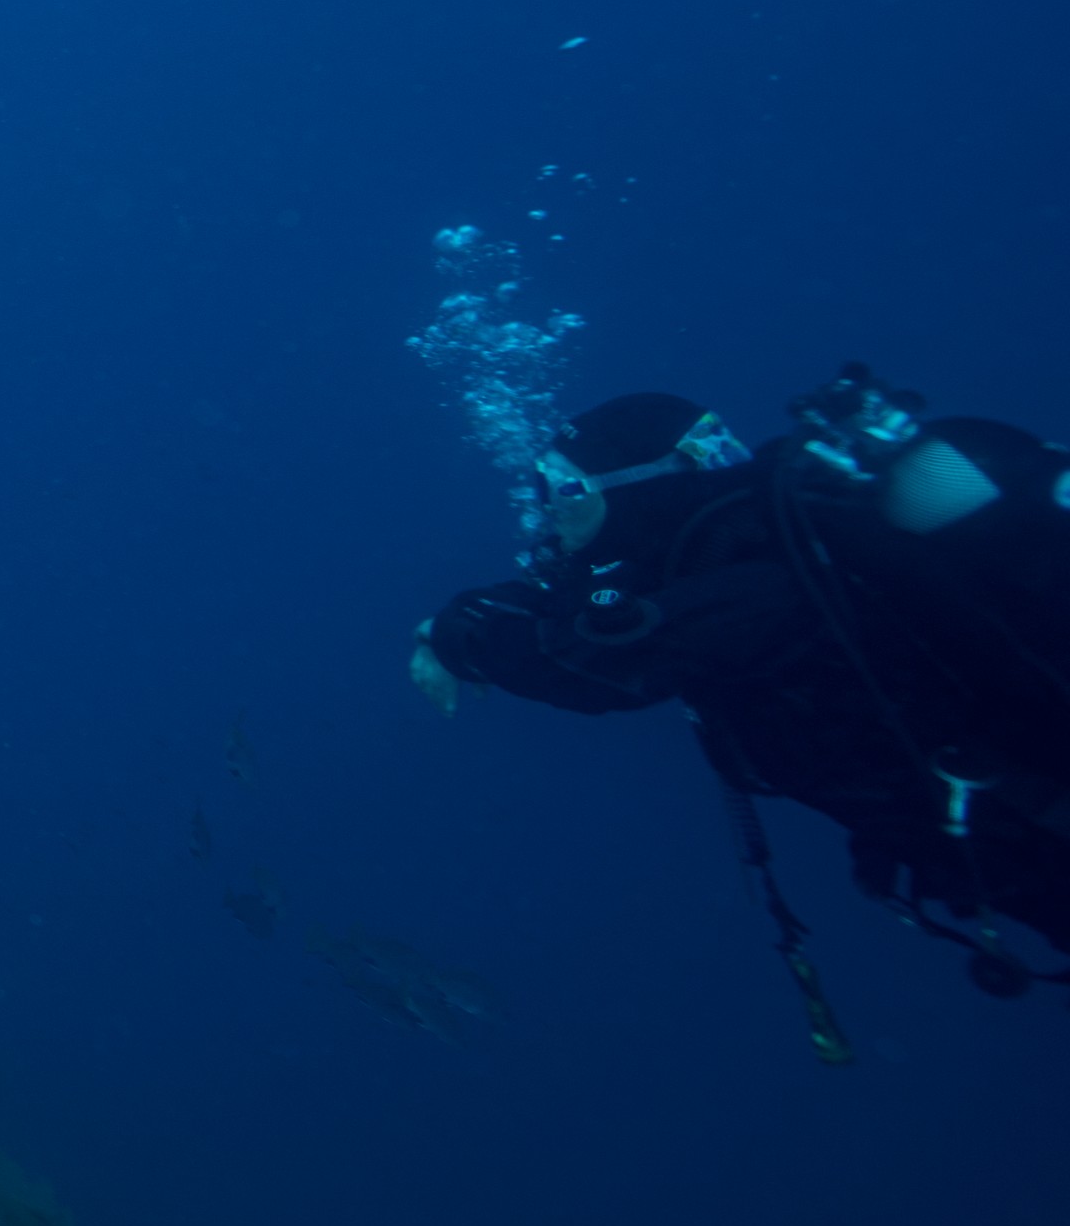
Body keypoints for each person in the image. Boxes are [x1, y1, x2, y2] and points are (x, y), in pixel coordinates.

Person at [416, 370, 1070, 1040]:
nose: (550, 518)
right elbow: (590, 617)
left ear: (647, 488)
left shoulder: (749, 576)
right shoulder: (798, 531)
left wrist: (455, 632)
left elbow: (585, 661)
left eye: (567, 492)